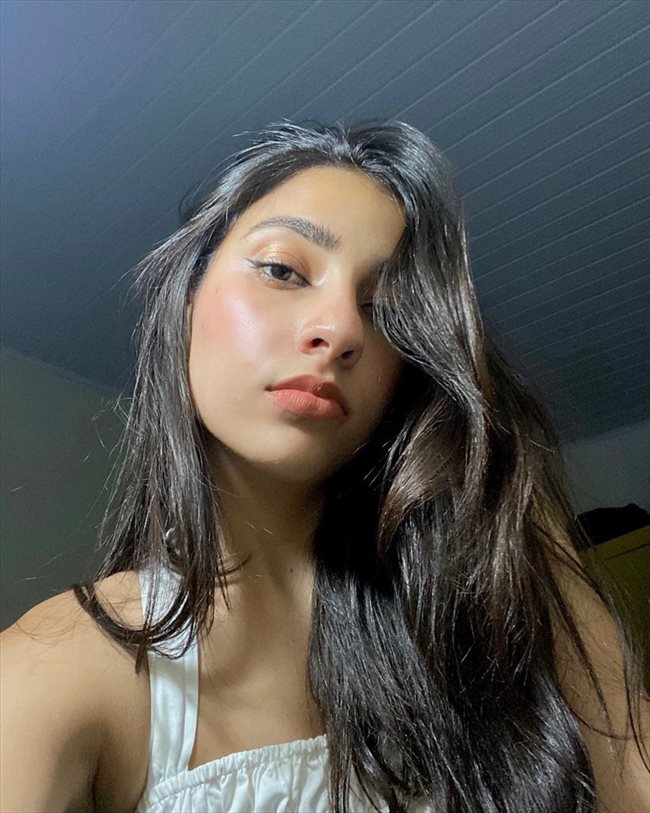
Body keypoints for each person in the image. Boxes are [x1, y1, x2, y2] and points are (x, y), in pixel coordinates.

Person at [1, 120, 648, 813]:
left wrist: (498, 470)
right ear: (186, 304)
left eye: (386, 311)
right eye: (282, 270)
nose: (341, 330)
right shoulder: (65, 663)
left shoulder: (459, 645)